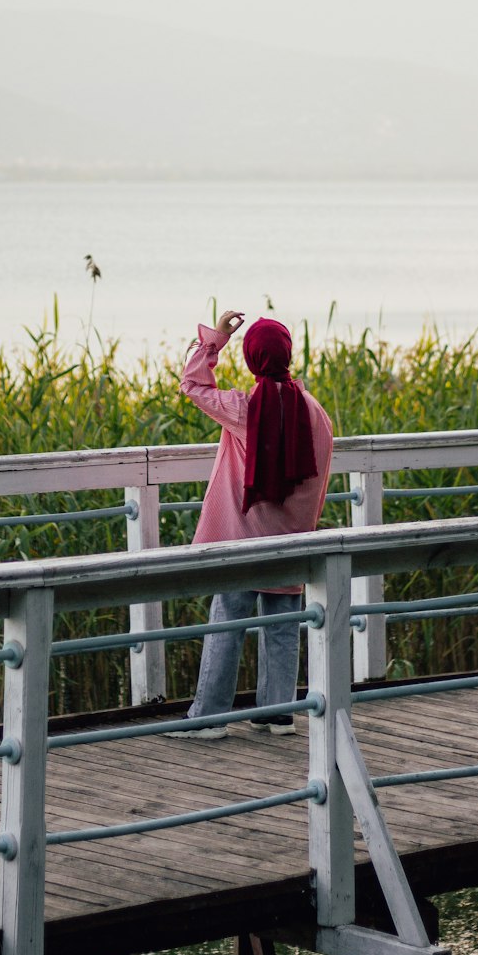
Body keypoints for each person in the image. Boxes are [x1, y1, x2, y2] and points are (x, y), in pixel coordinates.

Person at [172, 308, 333, 740]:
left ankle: (208, 719)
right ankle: (277, 713)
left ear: (251, 359)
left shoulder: (245, 410)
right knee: (282, 626)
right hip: (292, 539)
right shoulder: (317, 414)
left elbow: (192, 384)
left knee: (228, 620)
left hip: (242, 538)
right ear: (288, 355)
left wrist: (215, 339)